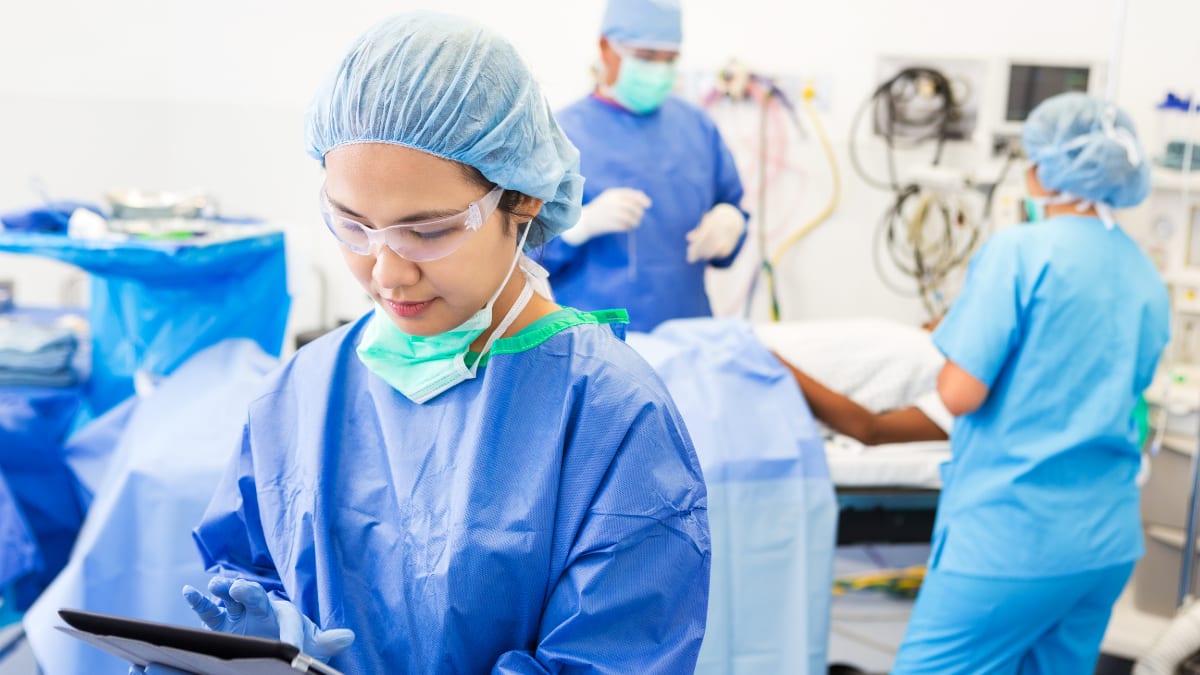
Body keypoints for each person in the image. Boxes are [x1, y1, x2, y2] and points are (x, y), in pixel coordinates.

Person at [141, 13, 711, 675]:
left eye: (428, 231)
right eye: (352, 226)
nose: (386, 271)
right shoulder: (303, 390)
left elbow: (614, 656)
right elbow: (248, 569)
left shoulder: (614, 415)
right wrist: (263, 645)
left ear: (522, 199)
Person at [891, 92, 1171, 674]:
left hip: (1011, 541)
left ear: (1044, 170)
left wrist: (956, 341)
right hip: (1104, 543)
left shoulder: (1020, 250)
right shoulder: (1143, 270)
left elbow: (959, 393)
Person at [537, 0, 749, 332]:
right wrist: (577, 229)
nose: (659, 70)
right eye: (647, 57)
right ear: (606, 49)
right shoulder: (560, 135)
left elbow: (731, 204)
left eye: (670, 60)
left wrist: (731, 222)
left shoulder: (696, 127)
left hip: (688, 336)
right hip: (597, 346)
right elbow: (520, 253)